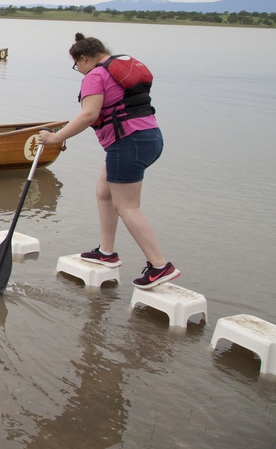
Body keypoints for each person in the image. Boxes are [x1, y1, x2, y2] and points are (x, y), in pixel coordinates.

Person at [37, 33, 178, 289]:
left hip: (128, 143)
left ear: (84, 58)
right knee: (104, 192)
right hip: (148, 138)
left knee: (127, 206)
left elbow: (89, 115)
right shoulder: (120, 67)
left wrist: (55, 138)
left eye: (76, 65)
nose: (78, 71)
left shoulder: (96, 75)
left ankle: (160, 266)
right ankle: (106, 252)